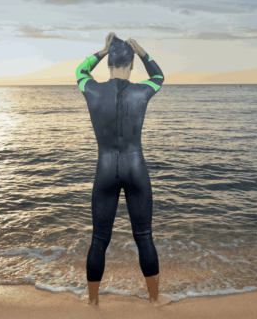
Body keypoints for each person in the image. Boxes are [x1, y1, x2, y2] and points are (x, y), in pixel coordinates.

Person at [75, 32, 171, 307]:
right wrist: (142, 51)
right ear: (131, 66)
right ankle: (154, 299)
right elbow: (159, 77)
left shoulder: (91, 89)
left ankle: (92, 300)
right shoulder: (142, 91)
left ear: (108, 65)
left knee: (98, 239)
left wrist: (102, 50)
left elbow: (80, 70)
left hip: (105, 169)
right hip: (135, 169)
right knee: (144, 236)